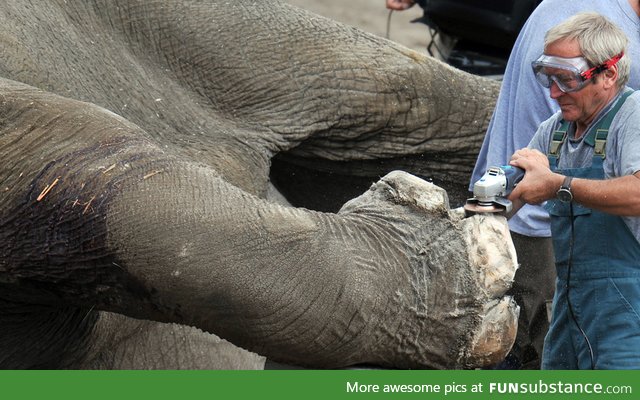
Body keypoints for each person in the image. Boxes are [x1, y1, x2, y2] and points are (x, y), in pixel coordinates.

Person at [469, 0, 640, 369]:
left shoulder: (633, 114)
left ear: (608, 73)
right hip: (568, 308)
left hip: (626, 310)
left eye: (567, 78)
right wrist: (488, 204)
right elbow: (519, 185)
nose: (554, 92)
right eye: (548, 76)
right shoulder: (556, 131)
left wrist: (558, 185)